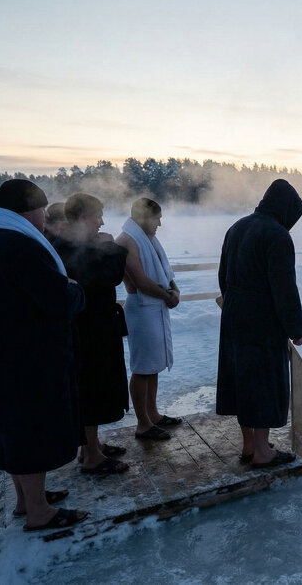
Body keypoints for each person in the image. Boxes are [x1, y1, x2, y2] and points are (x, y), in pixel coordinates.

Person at [0, 179, 88, 531]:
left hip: (3, 347)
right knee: (32, 427)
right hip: (28, 354)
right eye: (41, 210)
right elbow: (58, 300)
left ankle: (26, 500)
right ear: (30, 209)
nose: (45, 219)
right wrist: (75, 290)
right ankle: (39, 511)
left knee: (14, 425)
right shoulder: (20, 246)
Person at [217, 179, 302, 469]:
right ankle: (262, 453)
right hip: (261, 320)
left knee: (242, 379)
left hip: (233, 314)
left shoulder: (237, 227)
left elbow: (223, 275)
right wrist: (296, 328)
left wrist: (232, 304)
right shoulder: (277, 236)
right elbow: (284, 288)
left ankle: (249, 445)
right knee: (263, 381)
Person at [54, 193, 130, 474]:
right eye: (97, 216)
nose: (101, 222)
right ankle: (92, 456)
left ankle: (90, 446)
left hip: (91, 326)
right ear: (83, 218)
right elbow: (109, 277)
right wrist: (111, 247)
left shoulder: (74, 244)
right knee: (92, 388)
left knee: (93, 388)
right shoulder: (70, 248)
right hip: (88, 330)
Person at [116, 198, 181, 440]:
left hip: (156, 306)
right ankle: (143, 423)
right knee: (142, 367)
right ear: (142, 217)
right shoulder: (126, 240)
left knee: (152, 366)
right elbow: (139, 280)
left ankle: (152, 414)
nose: (160, 224)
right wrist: (167, 296)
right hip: (141, 310)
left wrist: (174, 290)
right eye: (156, 218)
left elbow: (166, 272)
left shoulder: (149, 240)